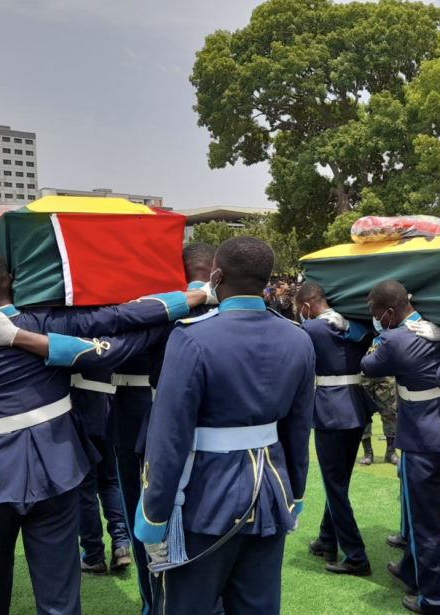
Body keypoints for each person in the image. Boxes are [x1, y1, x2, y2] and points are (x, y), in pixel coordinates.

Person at [0, 248, 208, 615]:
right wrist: (192, 298)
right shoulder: (50, 323)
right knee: (59, 597)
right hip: (58, 469)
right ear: (13, 281)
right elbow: (120, 316)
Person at [134, 237, 314, 615]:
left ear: (216, 276)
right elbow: (298, 429)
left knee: (185, 606)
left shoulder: (191, 336)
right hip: (270, 492)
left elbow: (169, 436)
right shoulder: (298, 338)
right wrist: (294, 495)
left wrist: (153, 515)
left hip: (204, 495)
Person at [108, 241, 217, 607]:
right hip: (220, 434)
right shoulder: (232, 308)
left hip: (137, 418)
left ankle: (152, 603)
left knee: (144, 517)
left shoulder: (154, 308)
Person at [361, 280, 440, 615]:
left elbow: (368, 365)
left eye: (376, 313)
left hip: (423, 440)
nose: (376, 318)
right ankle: (412, 570)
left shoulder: (393, 340)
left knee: (425, 522)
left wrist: (377, 337)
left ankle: (434, 598)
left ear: (390, 313)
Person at [296, 282, 374, 576]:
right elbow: (372, 333)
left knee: (334, 485)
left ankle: (356, 555)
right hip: (355, 406)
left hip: (330, 409)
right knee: (339, 480)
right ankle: (327, 539)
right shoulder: (355, 324)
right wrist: (350, 326)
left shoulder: (310, 328)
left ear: (306, 306)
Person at [71, 368, 130, 575]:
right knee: (111, 481)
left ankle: (93, 555)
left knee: (85, 487)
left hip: (82, 407)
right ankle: (121, 544)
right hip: (113, 405)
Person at [359, 377, 399, 466]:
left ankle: (391, 452)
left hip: (385, 375)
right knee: (364, 414)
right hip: (363, 375)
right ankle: (367, 453)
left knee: (390, 414)